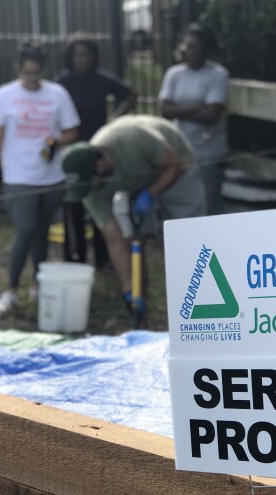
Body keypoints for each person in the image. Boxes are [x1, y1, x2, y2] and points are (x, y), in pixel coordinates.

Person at [61, 116, 207, 321]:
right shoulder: (90, 189)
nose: (88, 190)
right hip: (133, 183)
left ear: (100, 165)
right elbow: (114, 241)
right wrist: (129, 289)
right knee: (133, 242)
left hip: (175, 166)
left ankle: (201, 307)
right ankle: (141, 308)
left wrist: (151, 194)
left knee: (189, 240)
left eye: (89, 183)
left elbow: (176, 165)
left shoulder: (133, 138)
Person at [0, 42, 80, 317]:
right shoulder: (4, 96)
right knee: (25, 229)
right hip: (18, 175)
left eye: (36, 74)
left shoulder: (57, 94)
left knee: (42, 231)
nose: (32, 79)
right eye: (27, 74)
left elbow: (73, 130)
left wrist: (55, 141)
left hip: (50, 176)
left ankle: (37, 283)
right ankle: (11, 289)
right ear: (18, 69)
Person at [57, 34, 137, 268]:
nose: (84, 59)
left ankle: (103, 257)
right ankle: (76, 256)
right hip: (73, 153)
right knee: (74, 205)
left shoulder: (101, 80)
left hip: (98, 151)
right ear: (70, 57)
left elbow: (130, 94)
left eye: (88, 54)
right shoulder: (62, 83)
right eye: (78, 55)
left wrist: (115, 119)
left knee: (101, 202)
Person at [159, 24, 230, 214]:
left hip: (208, 153)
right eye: (185, 46)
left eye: (193, 47)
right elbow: (165, 110)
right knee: (184, 205)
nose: (188, 51)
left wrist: (178, 110)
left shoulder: (217, 75)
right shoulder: (173, 74)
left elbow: (211, 114)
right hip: (181, 151)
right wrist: (196, 107)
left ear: (205, 49)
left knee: (209, 205)